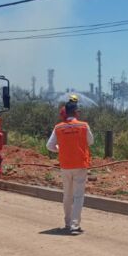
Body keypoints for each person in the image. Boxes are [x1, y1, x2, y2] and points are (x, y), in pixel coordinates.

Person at [46, 99, 94, 234]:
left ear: (65, 113)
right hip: (80, 165)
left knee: (67, 195)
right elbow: (91, 141)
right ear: (75, 112)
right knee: (78, 196)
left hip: (65, 165)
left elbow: (49, 146)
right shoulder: (84, 126)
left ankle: (67, 223)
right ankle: (74, 225)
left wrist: (60, 149)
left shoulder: (58, 127)